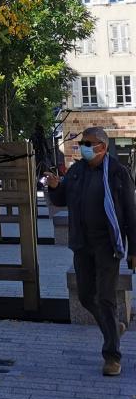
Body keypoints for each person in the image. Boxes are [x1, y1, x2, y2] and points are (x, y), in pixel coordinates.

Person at [45, 126, 136, 376]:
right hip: (82, 244)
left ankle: (112, 355)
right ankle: (112, 328)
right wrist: (54, 186)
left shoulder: (118, 172)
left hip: (107, 245)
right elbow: (62, 198)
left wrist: (133, 249)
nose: (83, 146)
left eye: (88, 142)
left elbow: (130, 213)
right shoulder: (76, 171)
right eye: (82, 142)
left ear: (103, 147)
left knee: (106, 298)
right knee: (86, 296)